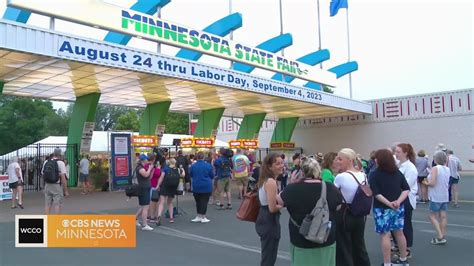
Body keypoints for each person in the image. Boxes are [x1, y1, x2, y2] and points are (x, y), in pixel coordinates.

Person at [278, 157, 342, 265]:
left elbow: (279, 201)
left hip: (301, 239)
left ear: (302, 172)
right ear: (318, 171)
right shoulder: (331, 188)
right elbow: (338, 207)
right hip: (325, 237)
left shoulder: (292, 189)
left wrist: (292, 183)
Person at [369, 149, 410, 266]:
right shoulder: (397, 172)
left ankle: (387, 263)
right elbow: (406, 189)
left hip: (381, 209)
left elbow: (376, 193)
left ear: (379, 160)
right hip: (398, 207)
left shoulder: (374, 174)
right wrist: (398, 202)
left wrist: (389, 203)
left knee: (385, 235)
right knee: (399, 233)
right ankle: (403, 259)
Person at [333, 148, 371, 266]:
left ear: (349, 160)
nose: (337, 161)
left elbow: (333, 196)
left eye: (340, 159)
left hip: (344, 214)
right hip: (359, 215)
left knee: (343, 247)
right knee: (359, 245)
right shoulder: (363, 175)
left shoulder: (341, 177)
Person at [255, 153, 284, 266]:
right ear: (269, 166)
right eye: (278, 164)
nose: (281, 166)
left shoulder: (264, 180)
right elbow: (272, 208)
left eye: (282, 163)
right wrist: (283, 205)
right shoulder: (271, 182)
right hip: (269, 220)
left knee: (268, 253)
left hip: (263, 218)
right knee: (269, 256)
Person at [394, 143, 418, 258]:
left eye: (398, 152)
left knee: (405, 224)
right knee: (398, 224)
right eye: (396, 151)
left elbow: (406, 186)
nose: (396, 154)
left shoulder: (410, 168)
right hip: (399, 197)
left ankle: (406, 249)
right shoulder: (400, 165)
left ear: (405, 153)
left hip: (407, 198)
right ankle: (399, 246)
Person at [423, 151, 450, 244]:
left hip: (435, 195)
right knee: (443, 216)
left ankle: (440, 236)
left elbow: (433, 183)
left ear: (436, 159)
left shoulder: (435, 168)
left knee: (432, 216)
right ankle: (442, 234)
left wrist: (426, 183)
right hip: (444, 195)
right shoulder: (447, 169)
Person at [157, 158, 184, 225]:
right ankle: (171, 218)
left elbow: (161, 177)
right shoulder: (177, 169)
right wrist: (182, 169)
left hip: (165, 186)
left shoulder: (166, 168)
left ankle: (159, 215)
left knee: (161, 202)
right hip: (173, 187)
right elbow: (183, 175)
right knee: (170, 203)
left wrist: (158, 185)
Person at [190, 151, 214, 223]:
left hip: (196, 185)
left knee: (198, 202)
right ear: (203, 157)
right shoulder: (208, 165)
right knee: (204, 201)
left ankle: (198, 216)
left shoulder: (193, 166)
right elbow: (212, 175)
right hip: (206, 185)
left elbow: (191, 175)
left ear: (197, 157)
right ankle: (203, 217)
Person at [44, 148, 68, 214]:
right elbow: (63, 178)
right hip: (56, 185)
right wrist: (65, 190)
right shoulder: (61, 163)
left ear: (54, 153)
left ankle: (47, 221)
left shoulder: (46, 162)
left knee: (47, 204)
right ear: (60, 154)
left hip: (47, 185)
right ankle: (56, 222)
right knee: (57, 205)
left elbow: (43, 173)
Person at [135, 154, 155, 231]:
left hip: (146, 187)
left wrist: (151, 170)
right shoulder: (140, 168)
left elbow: (149, 177)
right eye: (146, 159)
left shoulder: (142, 167)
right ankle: (144, 224)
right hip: (143, 188)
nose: (147, 160)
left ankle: (135, 219)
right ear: (143, 160)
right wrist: (150, 169)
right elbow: (146, 174)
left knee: (143, 206)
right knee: (145, 207)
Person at [147, 154, 162, 223]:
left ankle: (149, 216)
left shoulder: (147, 165)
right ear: (154, 159)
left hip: (151, 185)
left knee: (151, 201)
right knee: (153, 202)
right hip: (153, 185)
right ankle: (151, 216)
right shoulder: (152, 167)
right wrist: (158, 169)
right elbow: (154, 175)